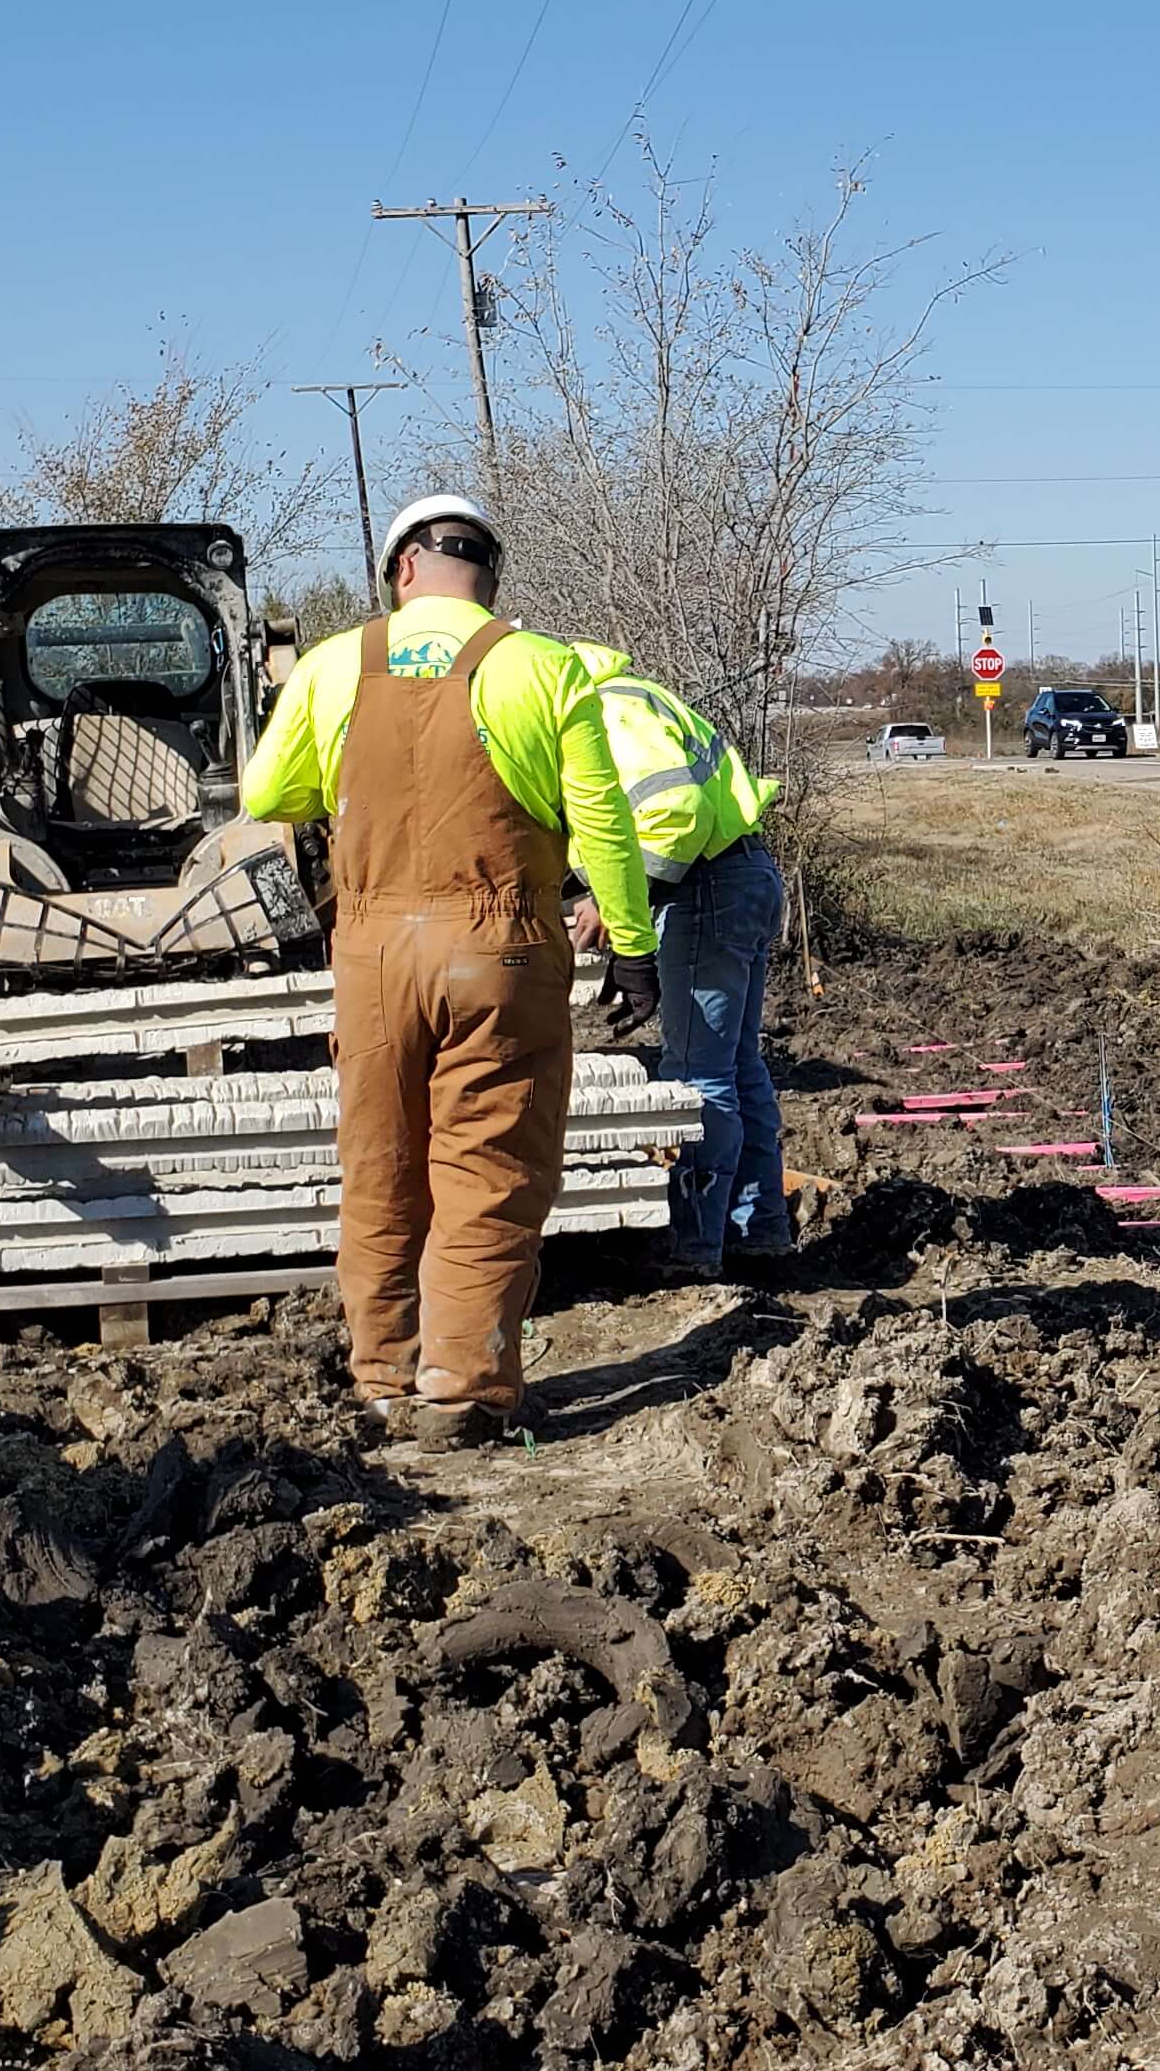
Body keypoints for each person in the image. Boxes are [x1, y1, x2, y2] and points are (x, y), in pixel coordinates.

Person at [239, 495, 659, 1449]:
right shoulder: (544, 668)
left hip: (375, 953)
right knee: (489, 1168)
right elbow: (604, 826)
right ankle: (461, 1387)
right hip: (500, 952)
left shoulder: (332, 664)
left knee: (381, 1165)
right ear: (490, 579)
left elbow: (270, 791)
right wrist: (631, 948)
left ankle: (383, 1380)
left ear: (402, 571)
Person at [561, 641, 792, 1270]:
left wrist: (621, 903)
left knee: (697, 1075)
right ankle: (758, 1227)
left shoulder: (603, 711)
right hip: (741, 878)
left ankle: (697, 1247)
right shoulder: (634, 699)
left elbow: (672, 810)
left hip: (706, 893)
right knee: (737, 1065)